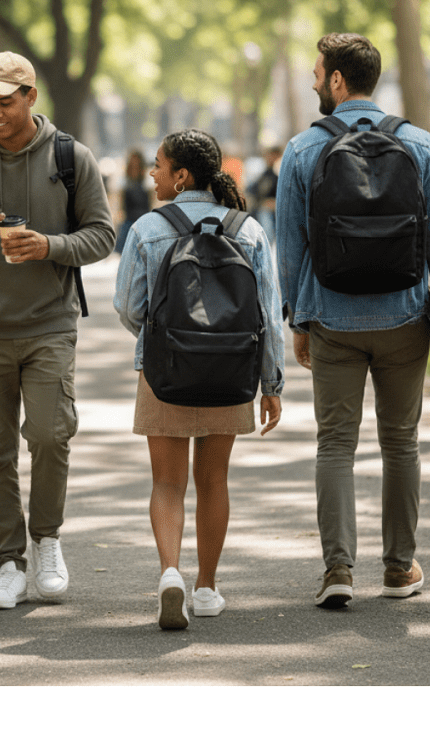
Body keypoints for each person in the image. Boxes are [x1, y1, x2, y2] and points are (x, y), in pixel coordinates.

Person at [276, 33, 430, 609]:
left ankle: (338, 569)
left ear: (338, 80)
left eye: (318, 73)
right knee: (401, 443)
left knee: (335, 445)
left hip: (334, 317)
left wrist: (299, 317)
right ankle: (397, 567)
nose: (314, 81)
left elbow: (291, 246)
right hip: (405, 315)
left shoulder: (302, 151)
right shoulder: (420, 144)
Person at [0, 51, 116, 609]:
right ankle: (8, 563)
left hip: (49, 326)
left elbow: (102, 236)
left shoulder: (70, 158)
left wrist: (49, 246)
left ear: (31, 97)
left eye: (4, 102)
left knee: (51, 434)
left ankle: (48, 540)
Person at [114, 128, 284, 629]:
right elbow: (269, 315)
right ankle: (207, 587)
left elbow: (128, 307)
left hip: (165, 370)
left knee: (167, 482)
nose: (152, 172)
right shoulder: (247, 230)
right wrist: (271, 384)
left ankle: (171, 573)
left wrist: (158, 337)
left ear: (181, 175)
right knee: (214, 480)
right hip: (230, 369)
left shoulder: (148, 228)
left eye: (160, 165)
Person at [114, 149, 151, 254]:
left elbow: (151, 205)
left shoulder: (147, 184)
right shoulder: (124, 183)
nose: (135, 165)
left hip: (144, 223)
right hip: (129, 224)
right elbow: (120, 209)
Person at [247, 146, 282, 244]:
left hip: (271, 213)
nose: (267, 158)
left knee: (264, 214)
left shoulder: (278, 173)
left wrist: (273, 203)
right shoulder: (265, 174)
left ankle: (266, 242)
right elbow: (253, 191)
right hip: (259, 209)